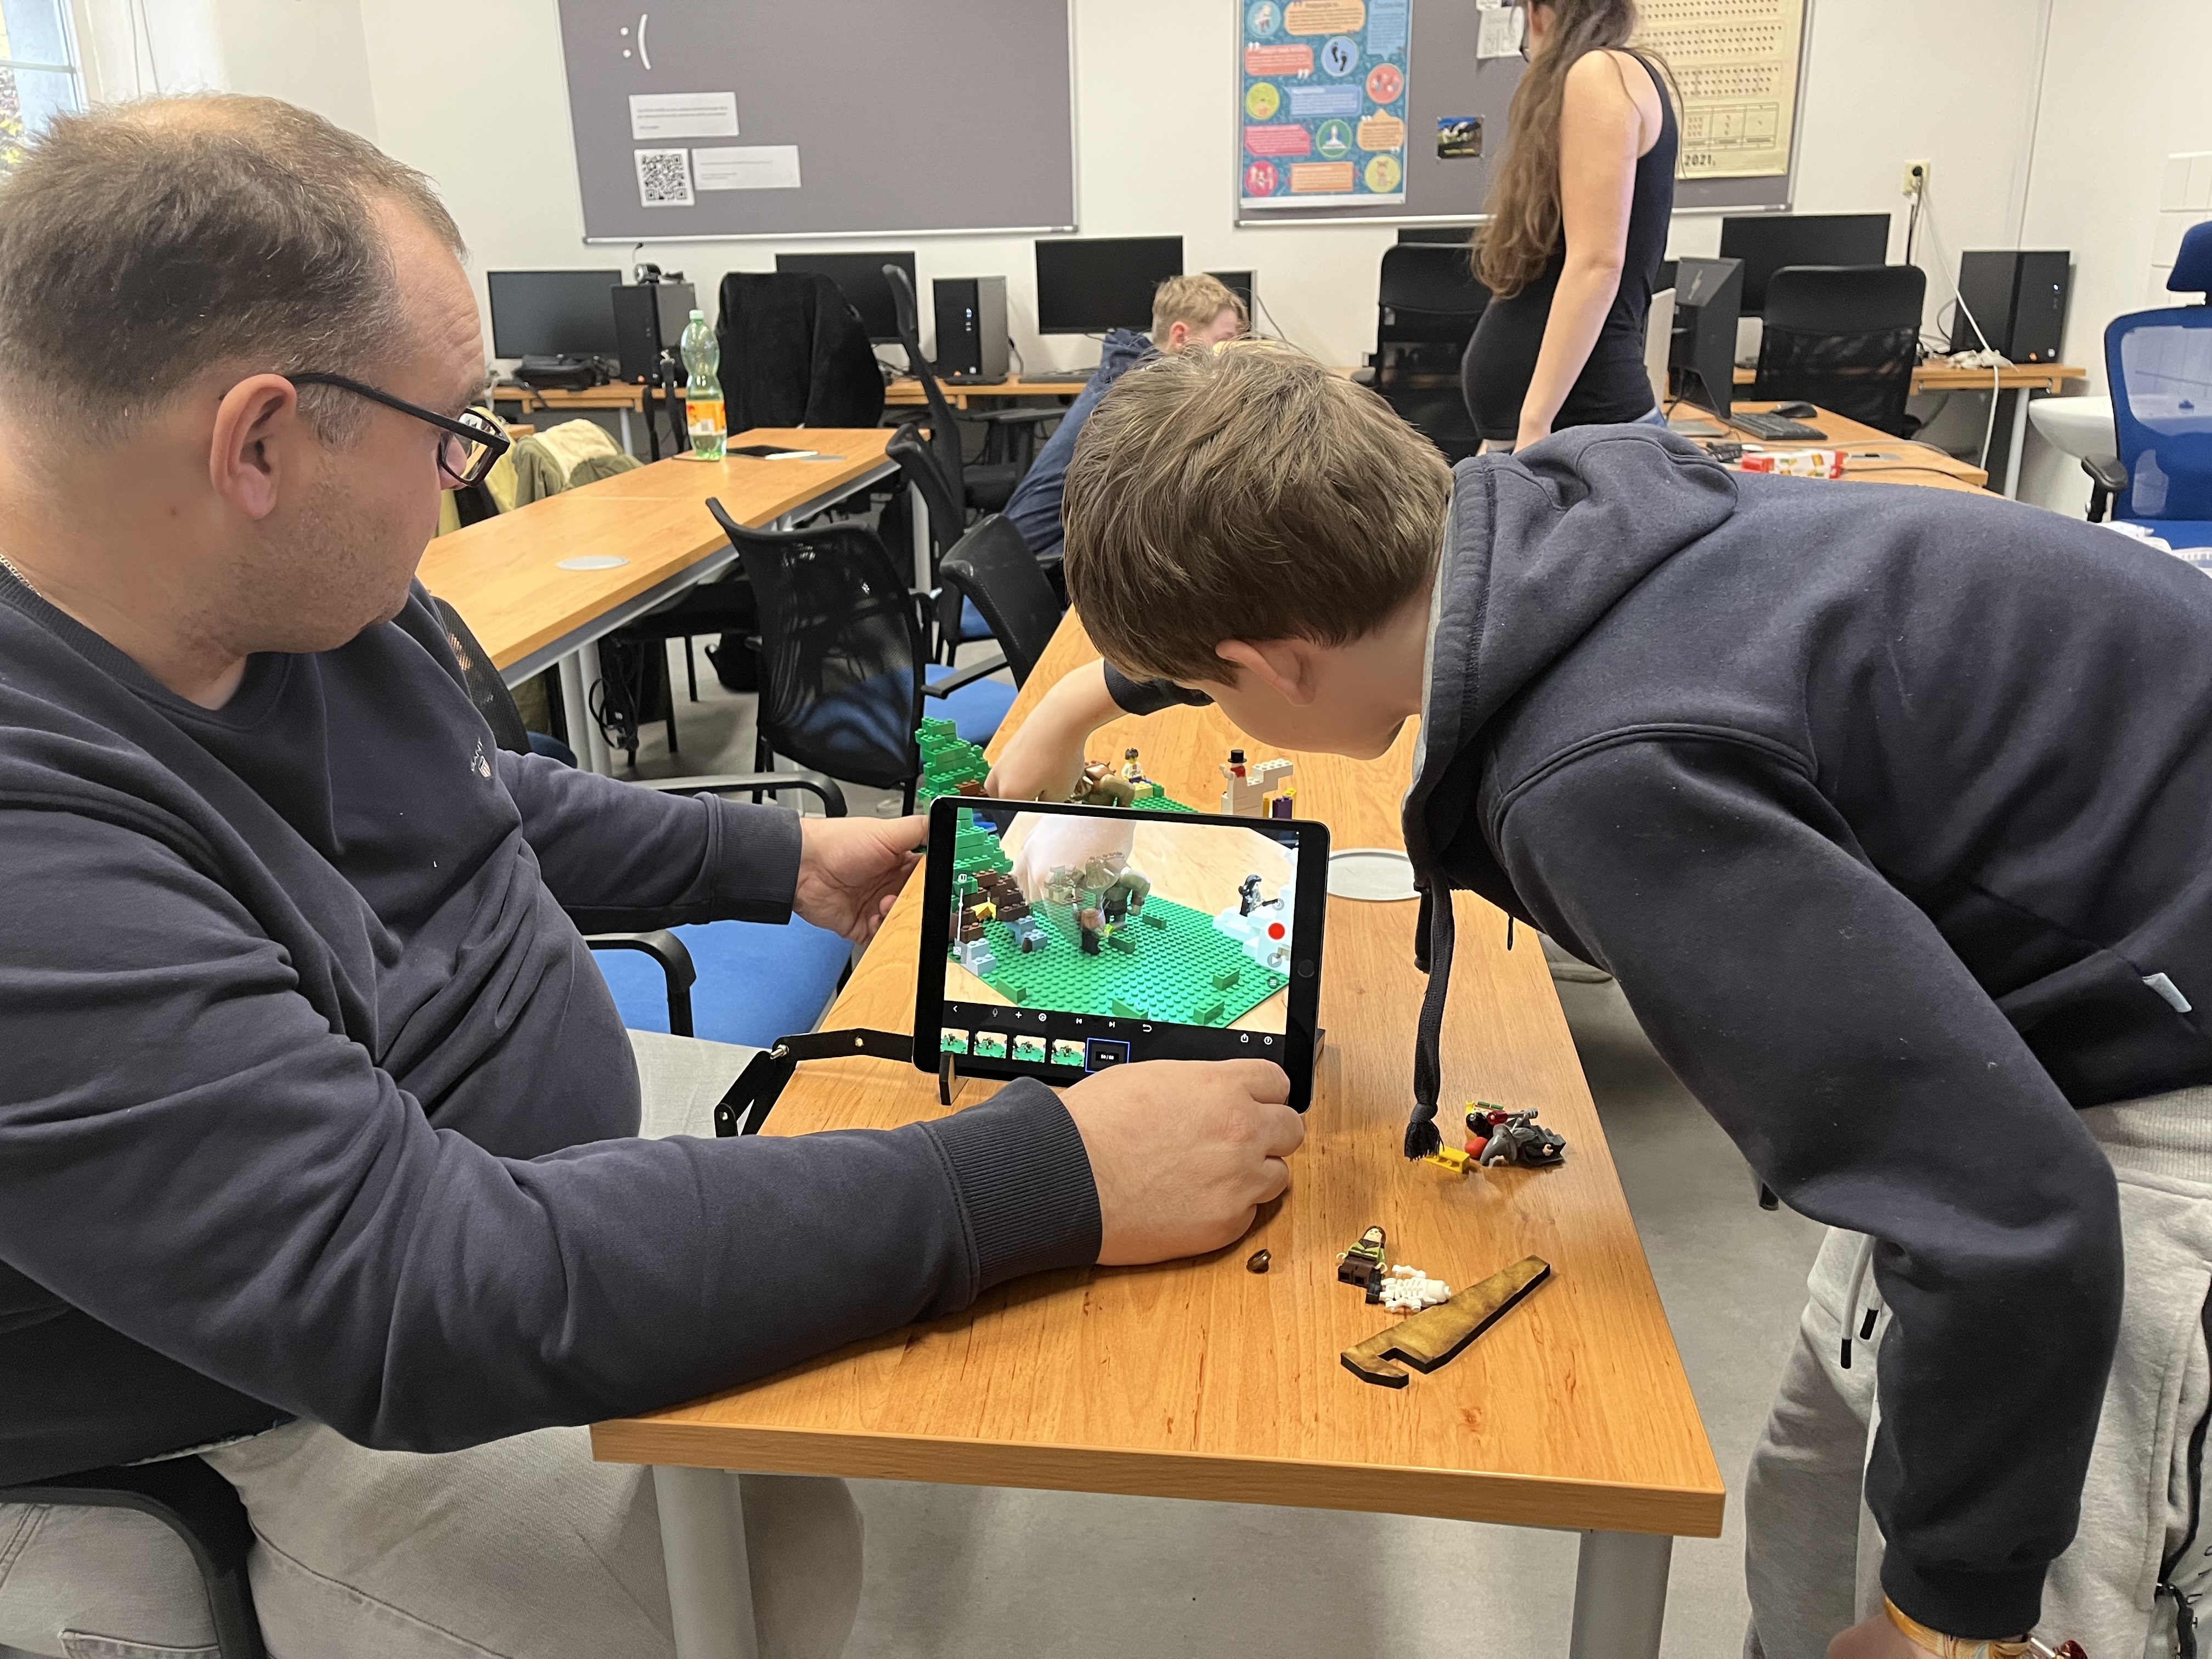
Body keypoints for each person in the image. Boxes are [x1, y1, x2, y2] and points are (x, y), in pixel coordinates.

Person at [0, 98, 1302, 1659]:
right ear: (259, 445)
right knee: (763, 1564)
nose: (462, 479)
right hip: (279, 1396)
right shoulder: (33, 850)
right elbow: (410, 1286)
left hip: (512, 1180)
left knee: (923, 1309)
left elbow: (481, 798)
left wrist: (784, 857)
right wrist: (1046, 1181)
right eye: (453, 432)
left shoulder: (288, 596)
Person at [990, 342, 2212, 1659]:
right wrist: (1076, 702)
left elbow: (2012, 1214)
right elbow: (1282, 593)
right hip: (2049, 992)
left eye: (1208, 682)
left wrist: (1951, 1619)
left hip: (2152, 1081)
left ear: (1273, 663)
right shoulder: (1550, 514)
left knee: (2009, 1587)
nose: (1206, 698)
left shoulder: (1600, 772)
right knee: (1818, 1499)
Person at [1458, 0, 1677, 450]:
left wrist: (1535, 424)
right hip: (1558, 436)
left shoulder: (1599, 73)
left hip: (1577, 436)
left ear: (1539, 13)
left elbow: (1598, 263)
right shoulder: (1612, 74)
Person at [1001, 272, 1246, 565]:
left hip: (1040, 549)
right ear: (1181, 337)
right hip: (1043, 562)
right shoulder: (1139, 395)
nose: (1230, 355)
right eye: (1224, 342)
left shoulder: (1132, 369)